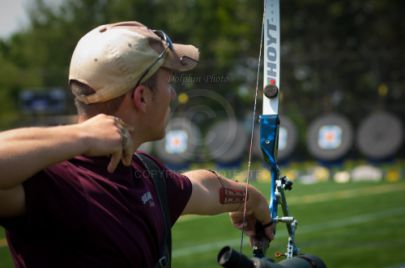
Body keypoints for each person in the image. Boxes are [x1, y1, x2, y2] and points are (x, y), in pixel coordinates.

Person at [0, 21, 274, 268]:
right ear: (141, 97)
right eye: (169, 81)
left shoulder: (144, 172)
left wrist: (253, 199)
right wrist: (83, 136)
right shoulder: (54, 182)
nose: (173, 94)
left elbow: (203, 187)